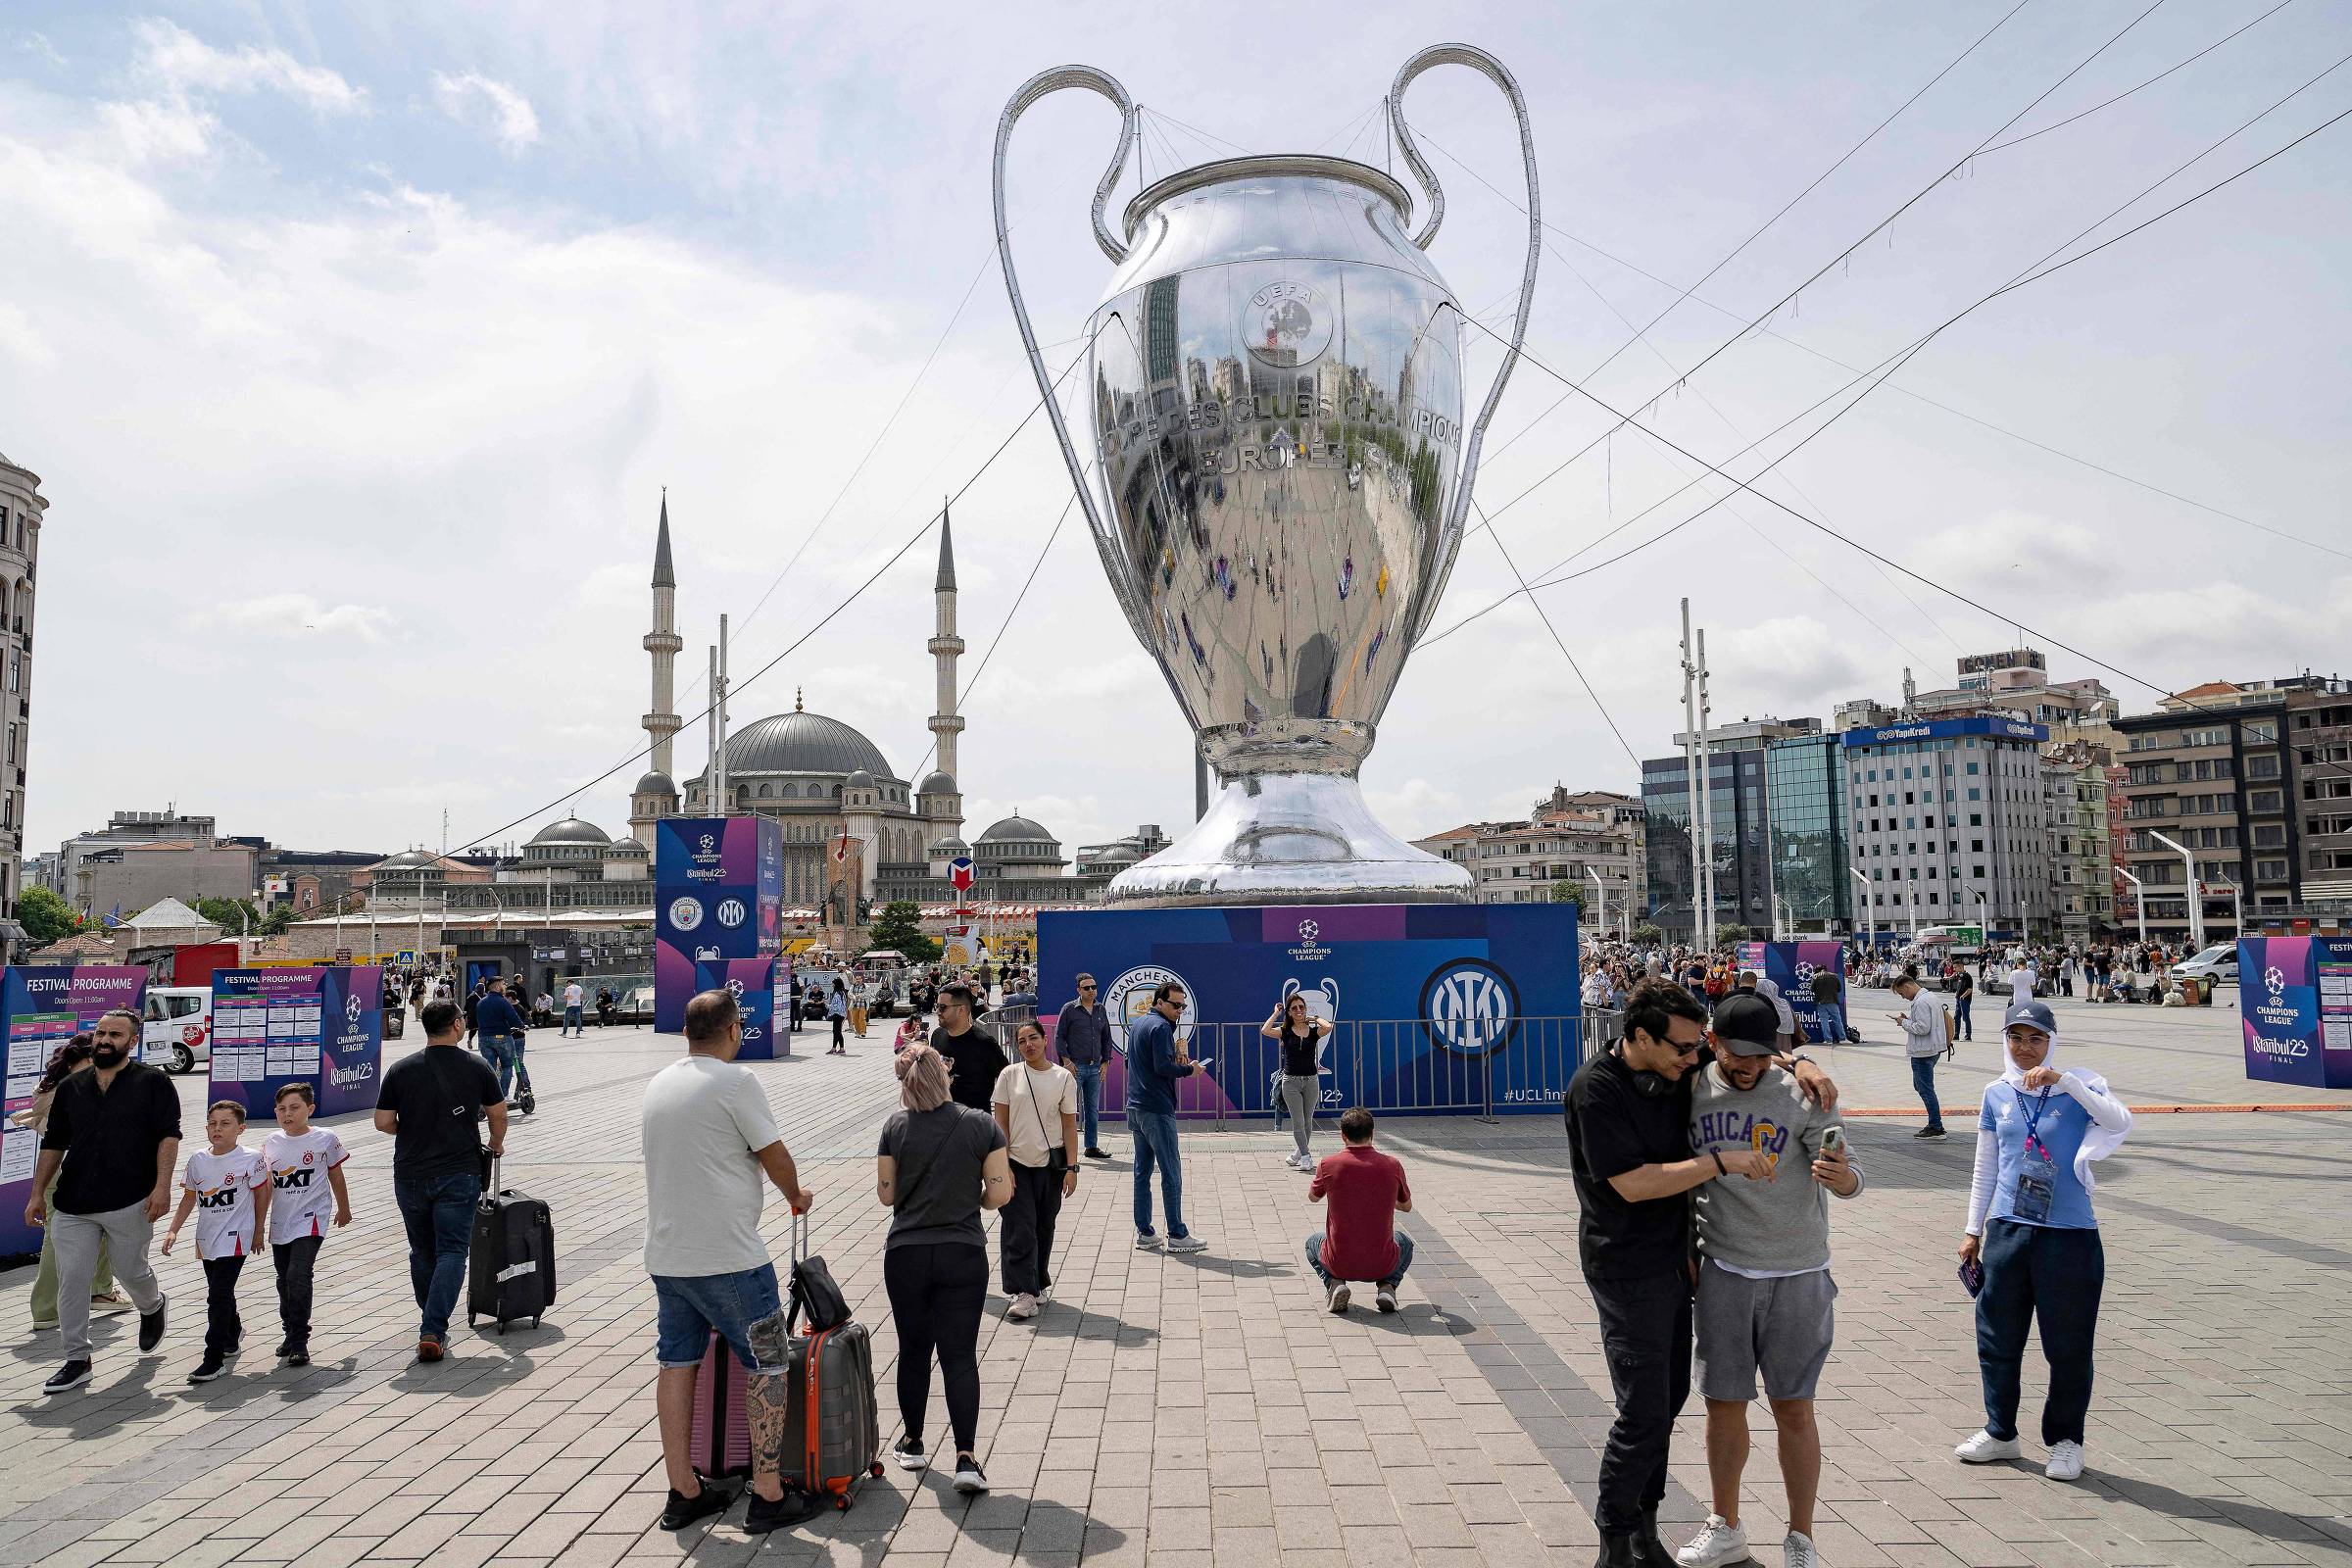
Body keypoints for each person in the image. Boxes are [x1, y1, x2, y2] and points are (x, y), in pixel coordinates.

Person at [1563, 979, 1837, 1568]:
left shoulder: (1680, 1062)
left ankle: (1646, 1534)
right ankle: (1613, 1541)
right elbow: (1633, 1185)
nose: (1696, 1060)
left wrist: (1803, 1058)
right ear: (1640, 1037)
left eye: (1697, 1048)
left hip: (1680, 1264)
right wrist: (1721, 1160)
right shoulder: (1596, 1090)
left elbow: (1752, 1053)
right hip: (1624, 1265)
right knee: (1643, 1410)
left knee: (1670, 1397)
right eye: (1684, 1050)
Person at [1675, 995, 1863, 1568]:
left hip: (1800, 1271)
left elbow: (1851, 1179)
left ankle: (1801, 1538)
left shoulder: (1801, 1093)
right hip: (1725, 1269)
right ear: (1713, 1042)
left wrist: (1843, 1179)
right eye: (1737, 1056)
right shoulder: (1692, 1091)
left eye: (1763, 1056)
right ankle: (1725, 1525)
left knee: (1793, 1407)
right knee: (1723, 1403)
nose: (1750, 1067)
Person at [642, 988, 813, 1534]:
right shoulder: (738, 1082)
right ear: (734, 1029)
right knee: (768, 1361)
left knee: (677, 1363)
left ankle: (684, 1490)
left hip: (669, 1259)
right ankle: (767, 1493)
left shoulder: (659, 1083)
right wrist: (796, 1195)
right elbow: (774, 1154)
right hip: (732, 1260)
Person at [1956, 1001, 2131, 1482]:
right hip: (2009, 1231)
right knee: (1997, 1338)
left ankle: (2066, 1441)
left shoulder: (2081, 1088)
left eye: (2035, 1038)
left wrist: (2064, 1081)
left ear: (2051, 1041)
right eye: (2016, 1037)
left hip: (2070, 1237)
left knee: (2068, 1344)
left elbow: (2120, 1121)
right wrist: (1974, 1229)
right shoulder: (1997, 1093)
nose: (2025, 1048)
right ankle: (2001, 1432)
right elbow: (1986, 1166)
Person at [877, 1043, 1011, 1495]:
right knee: (959, 1354)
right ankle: (967, 1458)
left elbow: (887, 1194)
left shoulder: (895, 1126)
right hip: (962, 1251)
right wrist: (970, 1198)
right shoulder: (980, 1124)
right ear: (944, 1075)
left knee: (913, 1350)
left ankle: (913, 1443)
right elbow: (1001, 1193)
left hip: (907, 1254)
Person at [29, 1007, 175, 1395]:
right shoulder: (72, 1088)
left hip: (130, 1198)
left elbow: (168, 1137)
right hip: (73, 1202)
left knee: (131, 1272)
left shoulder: (154, 1083)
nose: (105, 1040)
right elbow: (54, 1143)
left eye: (115, 1034)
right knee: (72, 1279)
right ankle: (77, 1359)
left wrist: (163, 1187)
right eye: (100, 1033)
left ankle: (152, 1305)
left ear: (132, 1041)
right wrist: (35, 1195)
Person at [374, 999, 508, 1361]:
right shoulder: (476, 1066)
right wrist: (495, 1145)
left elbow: (383, 1122)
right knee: (451, 1251)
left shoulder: (401, 1069)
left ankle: (431, 1317)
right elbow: (497, 1113)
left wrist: (413, 1129)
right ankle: (433, 1327)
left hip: (410, 1173)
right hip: (459, 1172)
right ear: (455, 1025)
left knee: (422, 1250)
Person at [14, 1036, 129, 1334]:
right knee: (57, 1239)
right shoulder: (78, 1088)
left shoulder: (54, 1085)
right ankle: (46, 1309)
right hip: (69, 1168)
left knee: (98, 1227)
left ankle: (100, 1290)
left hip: (80, 1169)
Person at [161, 1100, 271, 1384]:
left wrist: (258, 1229)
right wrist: (173, 1230)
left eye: (225, 1124)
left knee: (218, 1294)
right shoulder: (198, 1159)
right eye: (212, 1123)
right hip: (207, 1236)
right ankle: (232, 1333)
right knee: (219, 1291)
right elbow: (189, 1197)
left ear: (241, 1129)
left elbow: (261, 1195)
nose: (217, 1129)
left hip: (236, 1236)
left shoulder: (251, 1159)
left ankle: (213, 1359)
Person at [991, 1020, 1077, 1322]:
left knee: (1044, 1226)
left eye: (1034, 1038)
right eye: (1023, 1040)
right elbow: (999, 1122)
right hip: (1015, 1163)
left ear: (1045, 1039)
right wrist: (1001, 1163)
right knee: (1021, 1226)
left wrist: (1072, 1167)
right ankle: (1023, 1292)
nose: (1029, 1044)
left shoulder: (1063, 1077)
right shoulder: (1009, 1075)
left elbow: (1069, 1124)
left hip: (1050, 1165)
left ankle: (1037, 1282)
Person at [261, 1082, 350, 1368]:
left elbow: (336, 1174)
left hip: (311, 1219)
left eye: (294, 1108)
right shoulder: (270, 1143)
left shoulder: (325, 1138)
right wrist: (257, 1224)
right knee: (283, 1279)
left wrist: (343, 1207)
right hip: (280, 1222)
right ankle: (289, 1331)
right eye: (281, 1109)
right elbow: (264, 1187)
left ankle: (300, 1341)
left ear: (310, 1109)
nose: (287, 1114)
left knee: (299, 1274)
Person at [1304, 1105, 1413, 1314]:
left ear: (1342, 1135)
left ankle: (1335, 1284)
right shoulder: (1392, 1165)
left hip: (1339, 1261)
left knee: (1312, 1242)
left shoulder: (1328, 1164)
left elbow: (1313, 1197)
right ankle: (1387, 1286)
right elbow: (1407, 1207)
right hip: (1382, 1263)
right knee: (1405, 1241)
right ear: (1372, 1134)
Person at [1126, 979, 1207, 1253]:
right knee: (1171, 1172)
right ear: (1159, 1003)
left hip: (1136, 1106)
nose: (1180, 1010)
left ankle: (1145, 1232)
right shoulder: (1160, 1027)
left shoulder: (1139, 1024)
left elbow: (1134, 1062)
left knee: (1142, 1172)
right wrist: (1189, 1071)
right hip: (1155, 1108)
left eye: (1183, 1006)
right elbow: (1162, 1066)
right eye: (1175, 1005)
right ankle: (1177, 1234)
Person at [1262, 991, 1334, 1171]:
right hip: (1291, 1082)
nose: (1298, 1010)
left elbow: (1328, 1027)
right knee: (1298, 1122)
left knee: (1308, 1121)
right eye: (1294, 1008)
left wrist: (1313, 1017)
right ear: (1290, 1012)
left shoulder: (1312, 1032)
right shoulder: (1285, 1032)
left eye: (1301, 1007)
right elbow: (1265, 1030)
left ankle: (1298, 1154)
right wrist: (1276, 1013)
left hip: (1311, 1080)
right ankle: (1306, 1156)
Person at [1054, 973, 1115, 1159]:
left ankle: (1091, 1147)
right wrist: (1067, 1062)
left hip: (1096, 1067)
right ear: (1078, 990)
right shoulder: (1069, 1009)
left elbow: (1107, 1038)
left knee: (1092, 1109)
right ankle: (1061, 1149)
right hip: (1075, 1068)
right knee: (1067, 1109)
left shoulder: (1100, 1009)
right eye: (1086, 988)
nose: (1091, 990)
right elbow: (1059, 1037)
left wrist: (1106, 1062)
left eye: (1093, 987)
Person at [1887, 969, 1948, 1141]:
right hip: (1933, 1048)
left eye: (1901, 993)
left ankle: (1936, 1127)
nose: (1903, 997)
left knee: (1925, 1089)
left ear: (1907, 986)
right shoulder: (1930, 997)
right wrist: (1909, 1019)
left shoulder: (1921, 1002)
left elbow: (1922, 1028)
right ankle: (1935, 1125)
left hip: (1923, 1051)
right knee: (1921, 1086)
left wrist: (1903, 1022)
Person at [930, 983, 1007, 1113]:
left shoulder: (985, 1043)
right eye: (937, 1006)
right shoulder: (937, 1035)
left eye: (942, 1007)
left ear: (961, 1010)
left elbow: (1008, 1082)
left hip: (975, 1126)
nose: (937, 1011)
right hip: (941, 1122)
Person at [474, 979, 525, 1102]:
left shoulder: (481, 1002)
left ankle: (493, 1096)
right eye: (503, 984)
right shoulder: (503, 1002)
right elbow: (513, 1019)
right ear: (497, 987)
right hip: (502, 1037)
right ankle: (503, 1095)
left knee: (490, 1068)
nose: (505, 986)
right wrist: (522, 1026)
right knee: (507, 1065)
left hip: (483, 1038)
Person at [1952, 964, 1976, 1043]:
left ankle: (1968, 1036)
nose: (1954, 969)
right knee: (1956, 1017)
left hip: (1964, 1000)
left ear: (1961, 967)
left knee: (1965, 1017)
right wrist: (1957, 993)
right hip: (1958, 1000)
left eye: (1955, 967)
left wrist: (1962, 996)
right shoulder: (1960, 976)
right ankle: (1956, 1035)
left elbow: (1969, 989)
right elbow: (1960, 987)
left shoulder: (1967, 976)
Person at [827, 978, 849, 1054]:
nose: (832, 985)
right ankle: (833, 1048)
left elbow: (836, 1005)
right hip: (840, 1014)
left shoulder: (838, 993)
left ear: (836, 984)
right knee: (835, 1031)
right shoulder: (841, 992)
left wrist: (828, 1006)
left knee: (837, 1031)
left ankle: (842, 1048)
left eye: (833, 983)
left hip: (838, 1014)